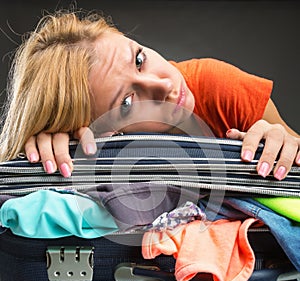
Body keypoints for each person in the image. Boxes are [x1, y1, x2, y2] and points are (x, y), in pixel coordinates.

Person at [0, 9, 299, 180]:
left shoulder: (218, 88)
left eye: (140, 60)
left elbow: (293, 154)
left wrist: (284, 143)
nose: (164, 86)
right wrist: (40, 167)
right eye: (127, 103)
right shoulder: (85, 147)